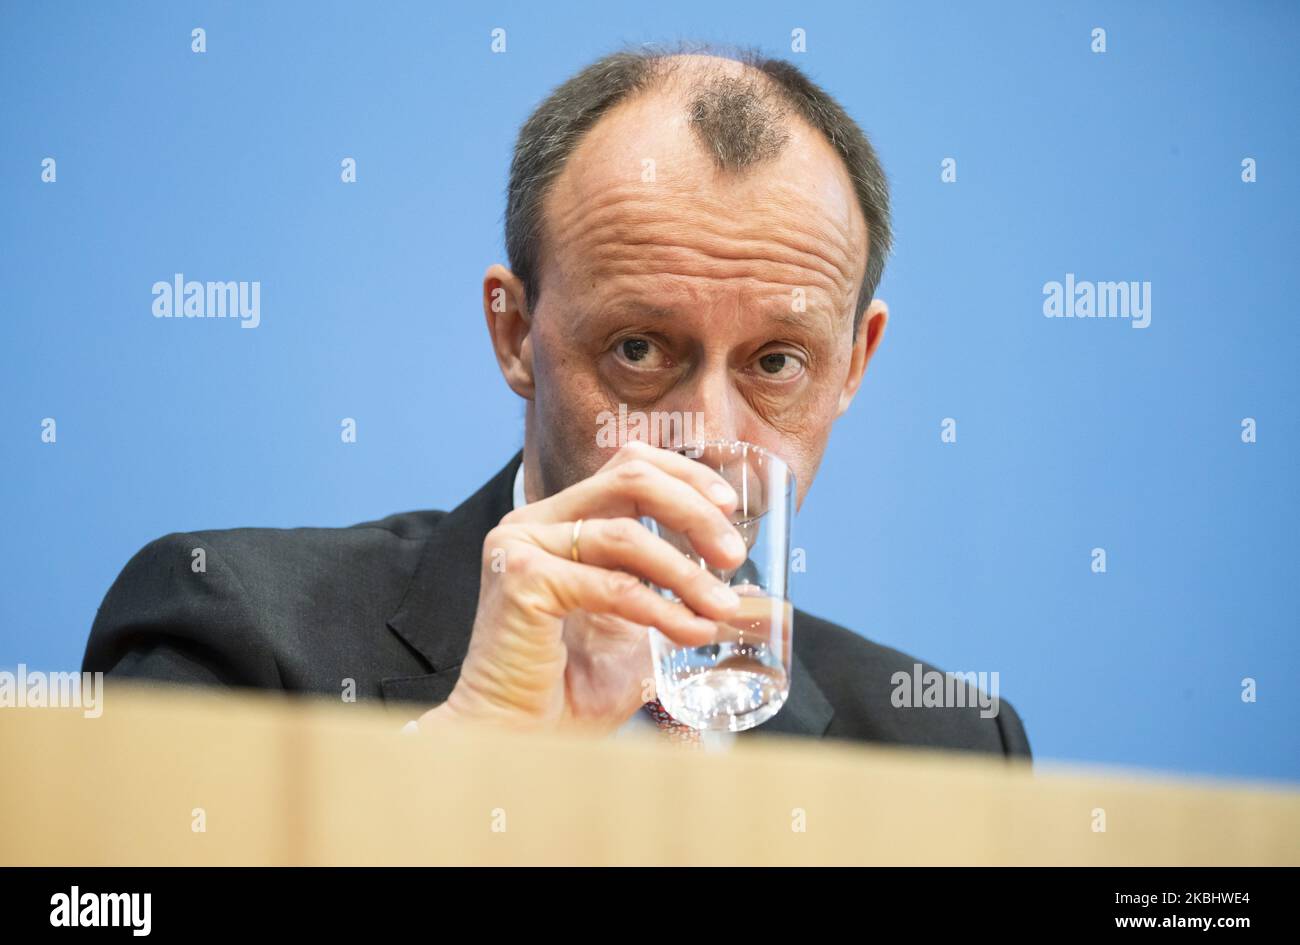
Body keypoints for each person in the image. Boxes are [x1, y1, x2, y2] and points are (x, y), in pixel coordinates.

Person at [84, 46, 1031, 760]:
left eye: (777, 362)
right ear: (514, 333)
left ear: (853, 366)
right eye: (638, 348)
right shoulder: (232, 636)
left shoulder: (947, 741)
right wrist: (460, 774)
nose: (706, 435)